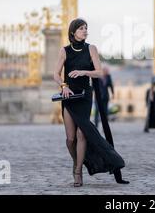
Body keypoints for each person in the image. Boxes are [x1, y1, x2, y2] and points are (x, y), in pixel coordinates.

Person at [53, 18, 129, 187]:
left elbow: (99, 72)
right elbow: (56, 74)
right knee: (70, 139)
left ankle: (78, 172)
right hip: (68, 96)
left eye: (86, 28)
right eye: (81, 28)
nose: (85, 31)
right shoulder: (64, 51)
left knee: (82, 134)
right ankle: (76, 162)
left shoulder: (91, 49)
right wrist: (63, 85)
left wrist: (83, 71)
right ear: (73, 32)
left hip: (84, 96)